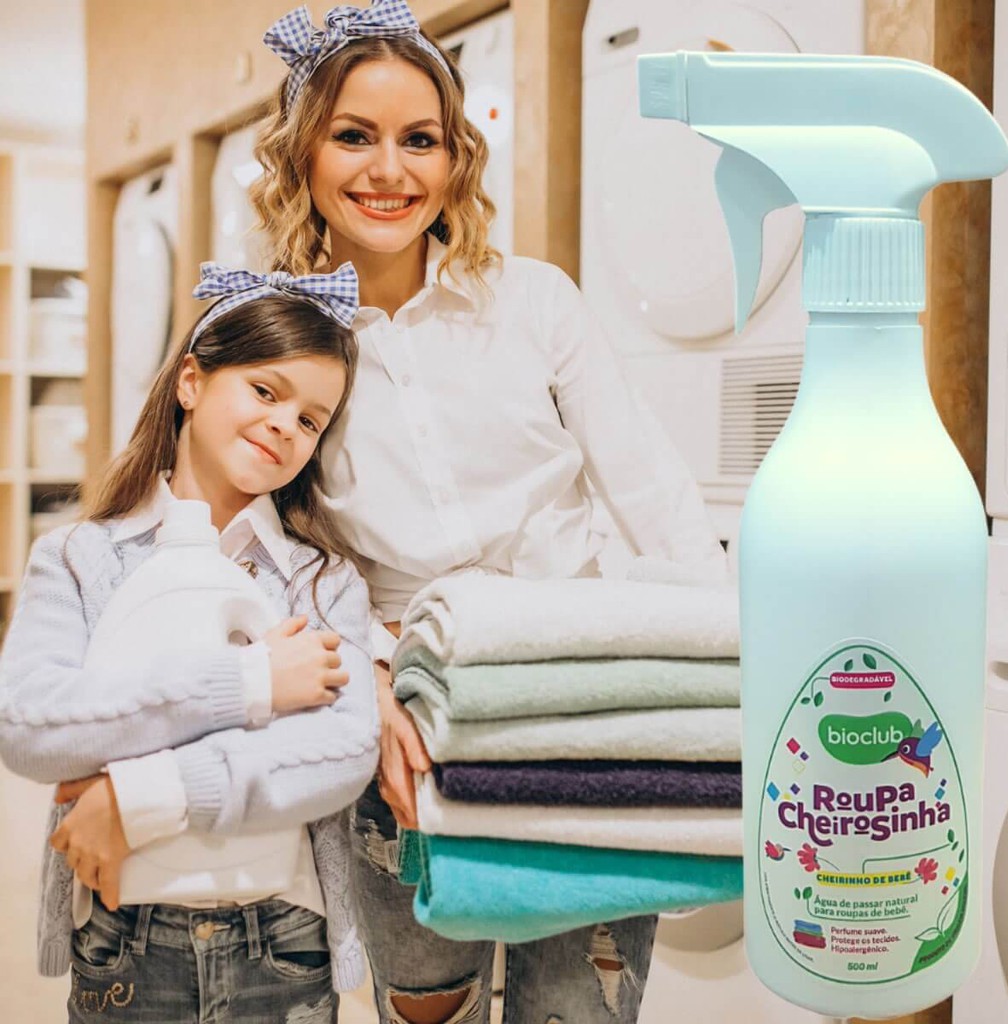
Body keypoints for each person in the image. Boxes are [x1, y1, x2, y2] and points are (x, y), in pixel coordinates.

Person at [252, 4, 730, 1021]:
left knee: (577, 1011)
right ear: (303, 154)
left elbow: (647, 486)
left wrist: (727, 677)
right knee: (430, 1005)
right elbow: (262, 543)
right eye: (354, 136)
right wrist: (365, 683)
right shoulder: (277, 338)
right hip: (407, 724)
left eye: (419, 139)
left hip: (580, 710)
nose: (389, 170)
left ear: (456, 155)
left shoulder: (534, 301)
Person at [0, 263, 380, 1023]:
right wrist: (251, 684)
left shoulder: (322, 580)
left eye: (311, 420)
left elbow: (342, 753)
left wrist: (140, 795)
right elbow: (31, 725)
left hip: (283, 939)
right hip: (124, 940)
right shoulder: (78, 558)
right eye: (266, 391)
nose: (286, 425)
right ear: (191, 382)